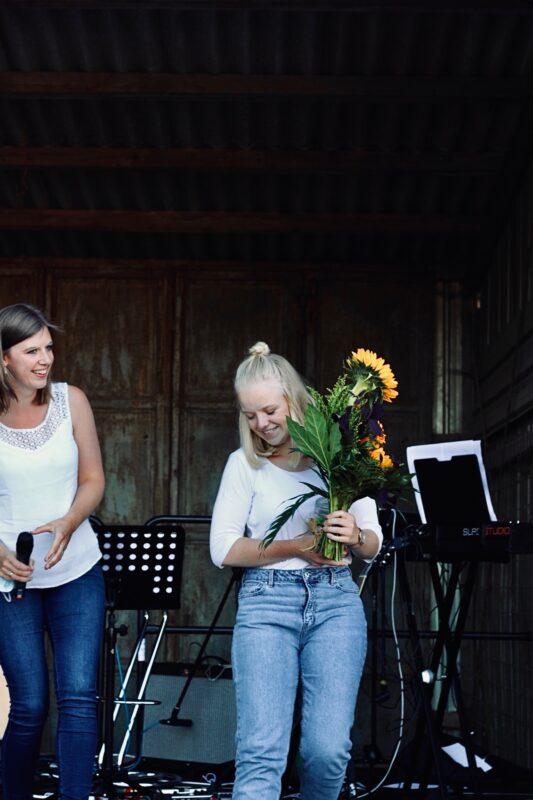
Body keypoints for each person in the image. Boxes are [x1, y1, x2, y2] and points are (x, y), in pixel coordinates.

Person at [210, 342, 383, 800]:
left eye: (268, 410)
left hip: (335, 602)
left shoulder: (342, 457)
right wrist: (297, 547)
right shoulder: (244, 465)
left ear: (294, 397)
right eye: (249, 415)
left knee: (327, 752)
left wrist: (353, 534)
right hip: (267, 603)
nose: (260, 424)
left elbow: (373, 541)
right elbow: (223, 548)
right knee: (262, 752)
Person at [0, 303, 105, 800]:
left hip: (76, 571)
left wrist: (69, 519)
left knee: (80, 697)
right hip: (11, 581)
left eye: (48, 347)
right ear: (4, 359)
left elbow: (93, 479)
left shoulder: (72, 401)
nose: (45, 359)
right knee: (29, 706)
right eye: (31, 350)